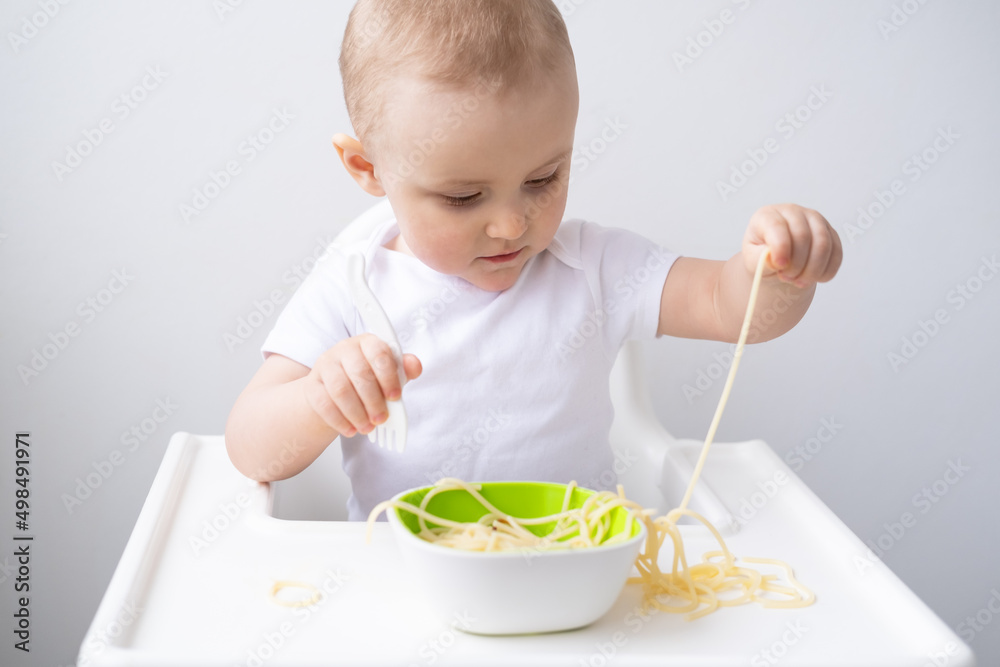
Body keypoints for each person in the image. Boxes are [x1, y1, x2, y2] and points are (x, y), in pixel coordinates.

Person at [225, 0, 842, 521]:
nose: (511, 224)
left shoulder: (592, 265)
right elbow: (251, 448)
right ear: (369, 169)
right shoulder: (353, 284)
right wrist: (318, 400)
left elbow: (727, 309)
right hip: (406, 581)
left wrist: (779, 269)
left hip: (575, 573)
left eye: (543, 178)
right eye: (463, 196)